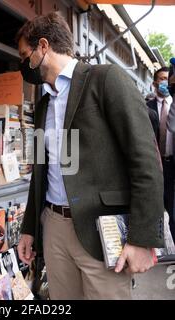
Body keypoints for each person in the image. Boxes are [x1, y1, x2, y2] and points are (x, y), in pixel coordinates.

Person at [16, 12, 164, 300]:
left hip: (101, 230)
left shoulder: (106, 79)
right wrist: (29, 229)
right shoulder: (43, 104)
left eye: (25, 55)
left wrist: (143, 238)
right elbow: (41, 171)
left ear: (43, 46)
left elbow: (145, 160)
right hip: (54, 226)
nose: (24, 64)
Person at [147, 67, 175, 241]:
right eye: (161, 78)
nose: (165, 82)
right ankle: (154, 242)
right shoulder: (145, 106)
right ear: (155, 82)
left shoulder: (174, 103)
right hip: (154, 163)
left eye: (167, 78)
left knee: (172, 208)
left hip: (172, 162)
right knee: (154, 205)